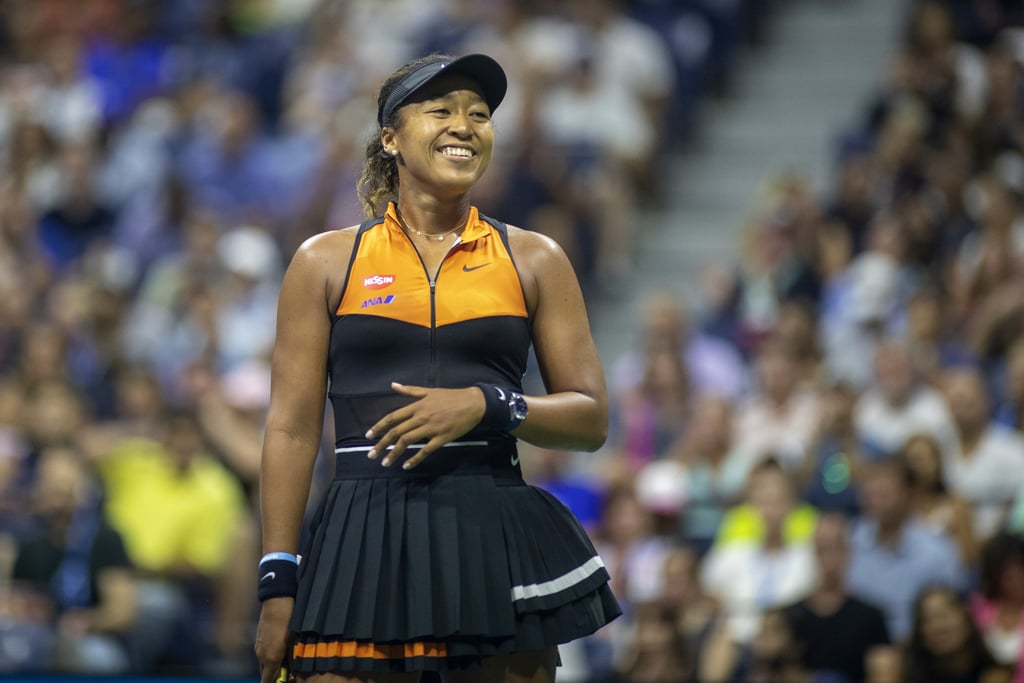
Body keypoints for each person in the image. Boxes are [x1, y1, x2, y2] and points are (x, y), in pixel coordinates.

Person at [254, 53, 621, 683]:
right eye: (441, 110)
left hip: (491, 532)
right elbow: (290, 430)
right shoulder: (324, 261)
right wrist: (277, 577)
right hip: (358, 533)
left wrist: (488, 404)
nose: (465, 125)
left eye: (479, 114)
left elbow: (590, 419)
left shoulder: (536, 258)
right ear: (390, 139)